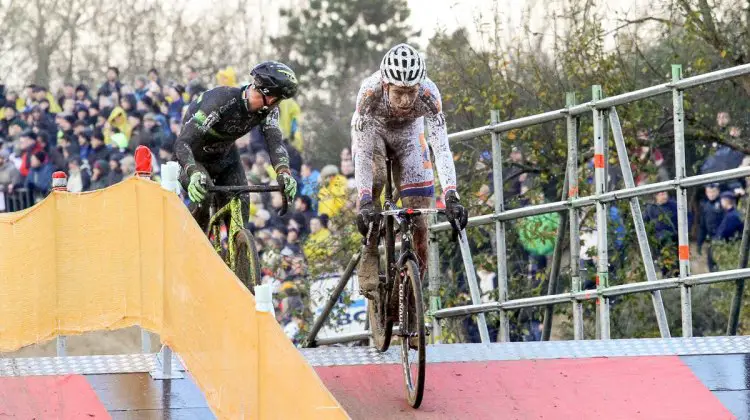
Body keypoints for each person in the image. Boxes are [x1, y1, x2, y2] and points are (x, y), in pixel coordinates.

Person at [351, 43, 469, 300]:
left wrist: (451, 195)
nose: (405, 101)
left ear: (420, 86)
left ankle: (413, 305)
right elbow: (363, 154)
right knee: (378, 175)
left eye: (411, 92)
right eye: (398, 93)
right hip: (375, 132)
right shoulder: (369, 93)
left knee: (420, 221)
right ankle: (370, 247)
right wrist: (365, 201)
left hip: (409, 136)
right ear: (385, 85)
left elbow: (441, 147)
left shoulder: (429, 94)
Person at [175, 61, 299, 231]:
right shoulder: (222, 100)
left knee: (241, 208)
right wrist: (192, 170)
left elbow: (275, 142)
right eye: (278, 100)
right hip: (195, 158)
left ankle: (236, 251)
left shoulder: (269, 111)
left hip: (225, 158)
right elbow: (183, 142)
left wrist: (283, 172)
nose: (277, 105)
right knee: (204, 197)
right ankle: (195, 243)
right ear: (269, 96)